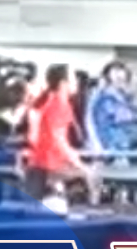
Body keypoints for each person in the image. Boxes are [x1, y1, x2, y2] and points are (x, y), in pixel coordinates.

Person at [21, 64, 90, 206]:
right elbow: (59, 140)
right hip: (49, 166)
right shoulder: (59, 105)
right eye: (73, 78)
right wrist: (80, 166)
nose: (77, 82)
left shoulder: (49, 100)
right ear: (63, 83)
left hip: (39, 163)